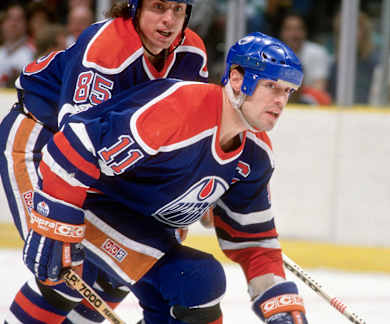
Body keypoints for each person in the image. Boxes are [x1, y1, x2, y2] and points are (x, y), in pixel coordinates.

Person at [14, 31, 307, 324]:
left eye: (287, 91)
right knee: (196, 278)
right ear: (237, 78)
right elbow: (73, 145)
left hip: (141, 221)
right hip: (90, 201)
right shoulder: (180, 111)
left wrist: (278, 304)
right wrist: (56, 224)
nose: (280, 101)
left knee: (193, 281)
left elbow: (252, 238)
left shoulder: (254, 156)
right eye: (271, 86)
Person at [1, 0, 208, 322]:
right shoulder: (107, 46)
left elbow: (193, 128)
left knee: (119, 270)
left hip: (105, 159)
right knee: (63, 265)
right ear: (134, 8)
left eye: (178, 10)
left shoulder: (192, 52)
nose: (169, 20)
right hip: (41, 142)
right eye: (158, 7)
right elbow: (73, 144)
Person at [278, 11, 331, 105]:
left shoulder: (317, 52)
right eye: (289, 29)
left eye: (298, 29)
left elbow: (319, 90)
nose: (293, 34)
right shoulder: (272, 54)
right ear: (282, 32)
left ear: (305, 31)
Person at [327, 11, 379, 105]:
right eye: (343, 31)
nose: (348, 36)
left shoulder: (376, 62)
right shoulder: (335, 66)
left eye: (354, 29)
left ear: (365, 33)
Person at [0, 2, 35, 88]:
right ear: (2, 23)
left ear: (26, 24)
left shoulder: (33, 52)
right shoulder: (1, 51)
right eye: (9, 18)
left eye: (18, 19)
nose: (13, 23)